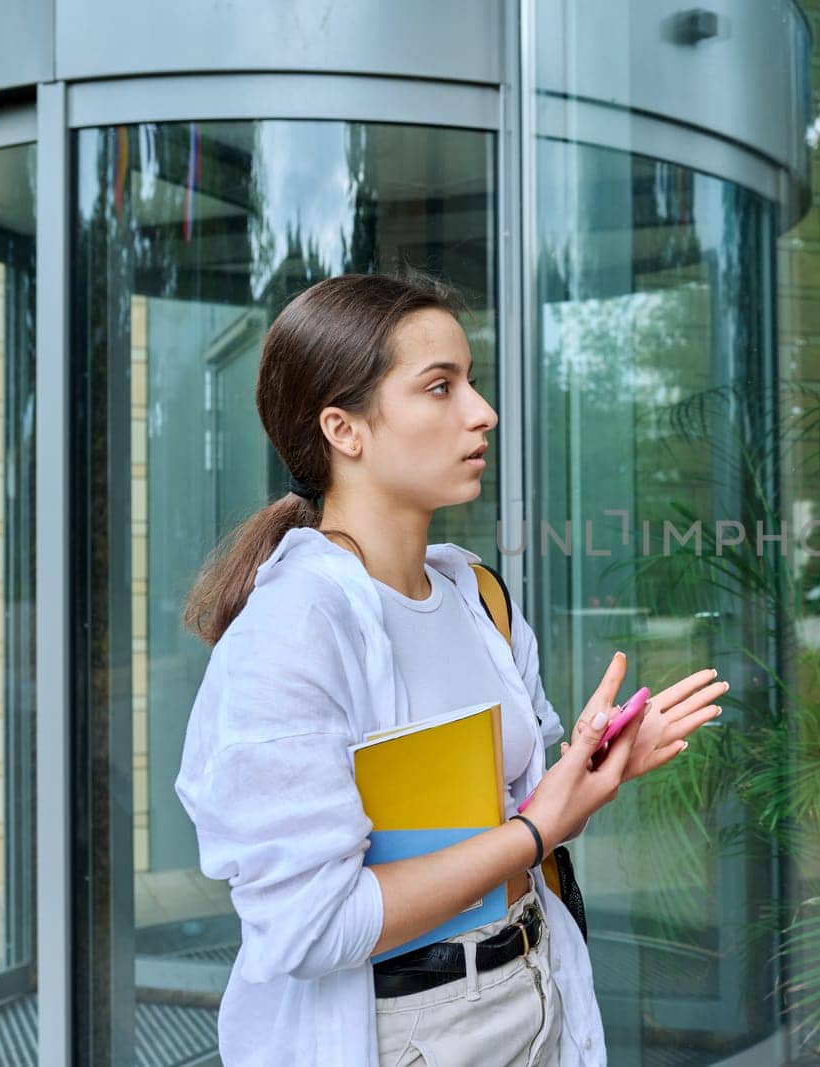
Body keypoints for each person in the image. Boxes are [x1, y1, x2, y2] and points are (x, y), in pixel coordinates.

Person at [174, 273, 726, 1067]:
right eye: (440, 386)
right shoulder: (292, 629)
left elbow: (501, 820)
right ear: (344, 428)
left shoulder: (477, 594)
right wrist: (537, 830)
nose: (482, 411)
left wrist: (591, 773)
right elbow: (314, 922)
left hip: (536, 990)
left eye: (471, 380)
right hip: (405, 1032)